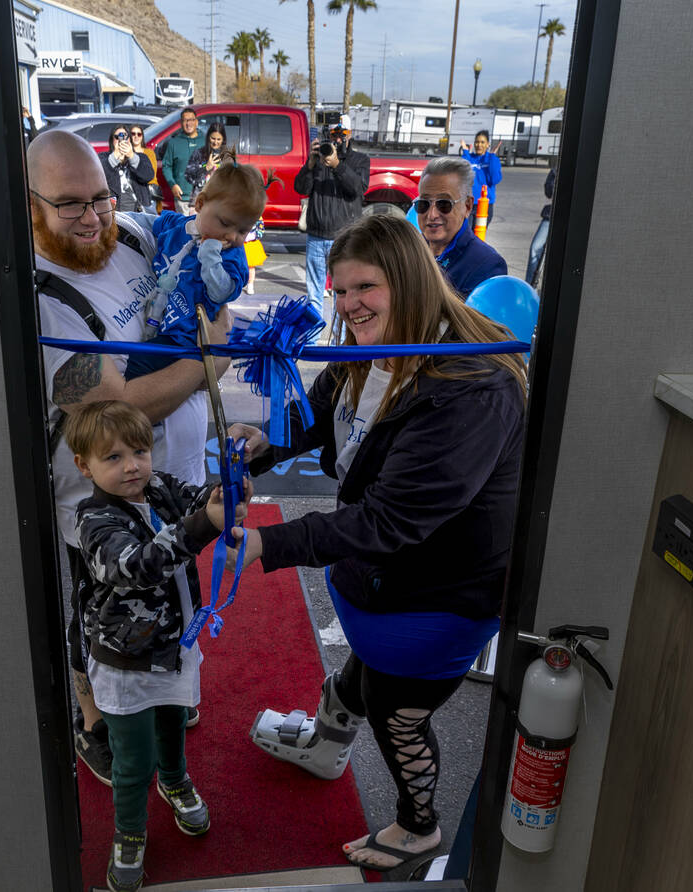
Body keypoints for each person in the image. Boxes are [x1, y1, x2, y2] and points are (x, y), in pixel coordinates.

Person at [226, 213, 527, 876]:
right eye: (338, 290)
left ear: (410, 281)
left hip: (436, 594)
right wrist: (265, 442)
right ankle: (323, 745)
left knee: (398, 711)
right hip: (379, 582)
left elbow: (391, 522)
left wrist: (265, 545)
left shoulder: (469, 386)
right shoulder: (371, 347)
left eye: (365, 287)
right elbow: (321, 416)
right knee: (363, 675)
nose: (348, 304)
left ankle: (420, 827)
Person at [28, 130, 232, 786]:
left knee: (171, 591)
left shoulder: (132, 237)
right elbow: (120, 409)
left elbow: (202, 234)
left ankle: (163, 693)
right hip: (96, 503)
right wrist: (212, 363)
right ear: (27, 203)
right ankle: (94, 723)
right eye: (69, 204)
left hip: (173, 483)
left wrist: (222, 247)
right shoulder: (38, 296)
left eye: (100, 199)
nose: (91, 218)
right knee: (101, 613)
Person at [67, 399, 249, 892]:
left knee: (174, 723)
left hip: (176, 647)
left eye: (140, 451)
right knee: (131, 760)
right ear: (83, 465)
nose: (132, 466)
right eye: (113, 458)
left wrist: (229, 485)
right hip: (125, 662)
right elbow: (133, 567)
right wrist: (204, 524)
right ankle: (129, 832)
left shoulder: (160, 486)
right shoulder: (92, 518)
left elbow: (200, 500)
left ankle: (175, 779)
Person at [126, 155, 266, 379]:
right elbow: (146, 222)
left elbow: (221, 292)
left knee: (133, 368)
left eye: (242, 231)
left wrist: (210, 255)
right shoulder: (178, 226)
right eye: (225, 223)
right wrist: (111, 219)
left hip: (184, 339)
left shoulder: (231, 256)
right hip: (153, 317)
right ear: (200, 204)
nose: (231, 236)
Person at [294, 117, 370, 332]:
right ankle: (312, 339)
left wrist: (337, 165)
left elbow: (356, 189)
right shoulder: (318, 159)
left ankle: (342, 340)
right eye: (334, 134)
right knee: (314, 293)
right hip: (317, 236)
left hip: (345, 240)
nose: (337, 139)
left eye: (342, 134)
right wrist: (309, 165)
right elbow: (300, 188)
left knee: (346, 295)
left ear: (350, 134)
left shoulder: (360, 160)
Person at [414, 156, 507, 298]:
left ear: (467, 206)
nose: (432, 215)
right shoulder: (410, 249)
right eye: (424, 203)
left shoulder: (486, 265)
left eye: (444, 204)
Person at [100, 123, 155, 213]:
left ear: (130, 140)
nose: (121, 140)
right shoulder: (104, 157)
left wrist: (131, 156)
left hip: (138, 212)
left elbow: (148, 176)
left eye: (125, 136)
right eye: (117, 137)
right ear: (112, 140)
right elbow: (100, 177)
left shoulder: (141, 157)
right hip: (115, 213)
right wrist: (115, 157)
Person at [161, 106, 201, 215]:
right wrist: (172, 184)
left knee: (201, 230)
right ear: (181, 123)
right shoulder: (174, 142)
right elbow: (166, 166)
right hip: (182, 198)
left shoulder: (205, 140)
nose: (188, 123)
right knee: (184, 229)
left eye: (191, 120)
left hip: (202, 199)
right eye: (185, 120)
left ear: (196, 122)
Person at [460, 130, 503, 226]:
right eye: (477, 142)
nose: (479, 145)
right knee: (465, 234)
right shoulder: (469, 158)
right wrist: (466, 153)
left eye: (482, 142)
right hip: (468, 204)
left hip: (484, 205)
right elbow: (463, 174)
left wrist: (491, 157)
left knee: (478, 236)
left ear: (488, 144)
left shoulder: (492, 159)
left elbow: (494, 179)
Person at [526, 167, 556, 287]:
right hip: (551, 216)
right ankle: (529, 287)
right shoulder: (556, 170)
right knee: (535, 247)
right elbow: (548, 193)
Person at [182, 123, 228, 201]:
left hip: (220, 203)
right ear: (208, 138)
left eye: (219, 139)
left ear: (223, 140)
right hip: (200, 201)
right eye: (213, 138)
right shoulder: (199, 153)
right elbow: (188, 176)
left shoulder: (228, 157)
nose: (215, 142)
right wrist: (205, 168)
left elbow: (232, 182)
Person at [128, 124, 161, 211]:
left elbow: (152, 175)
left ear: (142, 136)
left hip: (148, 192)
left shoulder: (149, 153)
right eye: (133, 134)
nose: (136, 136)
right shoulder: (126, 152)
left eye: (139, 134)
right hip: (132, 193)